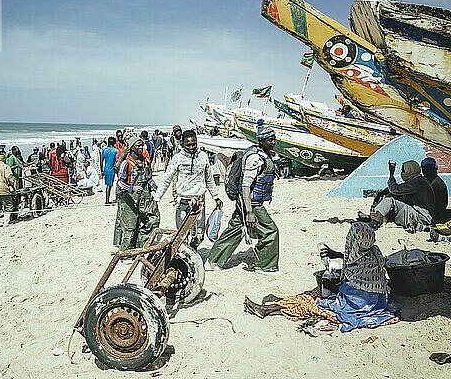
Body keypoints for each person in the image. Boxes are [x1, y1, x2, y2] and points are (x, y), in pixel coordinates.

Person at [244, 222, 399, 333]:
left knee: (309, 302)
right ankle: (267, 309)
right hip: (378, 300)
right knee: (309, 298)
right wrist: (335, 254)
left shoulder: (356, 262)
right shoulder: (374, 252)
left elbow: (347, 274)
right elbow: (351, 259)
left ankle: (267, 310)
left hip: (356, 304)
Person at [206, 124, 280, 274]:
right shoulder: (255, 158)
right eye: (269, 140)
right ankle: (265, 266)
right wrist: (249, 212)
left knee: (236, 228)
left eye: (274, 139)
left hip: (247, 201)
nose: (273, 142)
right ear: (261, 141)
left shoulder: (262, 154)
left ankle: (214, 261)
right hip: (251, 202)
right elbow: (246, 186)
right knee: (270, 231)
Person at [151, 129, 222, 249]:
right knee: (182, 236)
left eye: (194, 144)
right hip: (183, 202)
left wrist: (216, 197)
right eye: (188, 145)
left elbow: (209, 179)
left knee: (199, 236)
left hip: (199, 202)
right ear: (183, 144)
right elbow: (166, 179)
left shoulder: (203, 157)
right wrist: (156, 199)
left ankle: (192, 252)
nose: (191, 147)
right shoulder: (177, 158)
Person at [115, 136, 160, 250]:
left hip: (145, 198)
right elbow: (120, 182)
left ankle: (142, 245)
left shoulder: (145, 161)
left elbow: (148, 178)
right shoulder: (126, 164)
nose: (141, 147)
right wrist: (132, 188)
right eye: (138, 145)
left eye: (141, 145)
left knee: (153, 219)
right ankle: (126, 253)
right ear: (131, 147)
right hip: (129, 199)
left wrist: (155, 187)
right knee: (130, 227)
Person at [371, 160, 435, 232]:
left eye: (403, 171)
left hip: (421, 218)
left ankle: (375, 222)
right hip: (418, 214)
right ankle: (376, 217)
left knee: (389, 199)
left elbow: (394, 189)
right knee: (390, 197)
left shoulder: (417, 182)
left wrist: (391, 174)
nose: (402, 173)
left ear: (410, 170)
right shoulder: (418, 180)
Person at [421, 157, 448, 223]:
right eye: (424, 169)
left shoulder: (436, 185)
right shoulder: (432, 181)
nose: (425, 172)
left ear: (434, 169)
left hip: (435, 216)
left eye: (427, 169)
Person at [102, 136, 119, 205]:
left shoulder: (104, 150)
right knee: (109, 185)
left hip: (106, 169)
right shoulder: (115, 151)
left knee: (108, 185)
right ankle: (107, 201)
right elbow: (117, 161)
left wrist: (101, 169)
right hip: (111, 170)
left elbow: (101, 159)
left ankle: (107, 199)